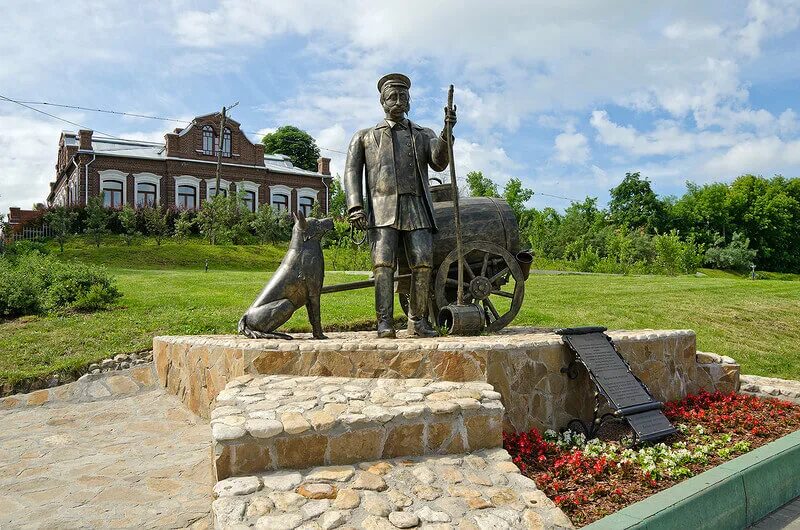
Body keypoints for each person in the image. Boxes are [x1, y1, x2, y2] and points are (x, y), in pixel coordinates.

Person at [344, 73, 457, 338]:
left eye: (402, 97)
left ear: (409, 100)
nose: (397, 101)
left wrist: (446, 132)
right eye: (392, 97)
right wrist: (354, 207)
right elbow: (350, 172)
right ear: (382, 101)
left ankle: (417, 321)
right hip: (382, 210)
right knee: (383, 265)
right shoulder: (364, 137)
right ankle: (384, 322)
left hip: (417, 207)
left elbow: (439, 162)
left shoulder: (423, 134)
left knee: (423, 262)